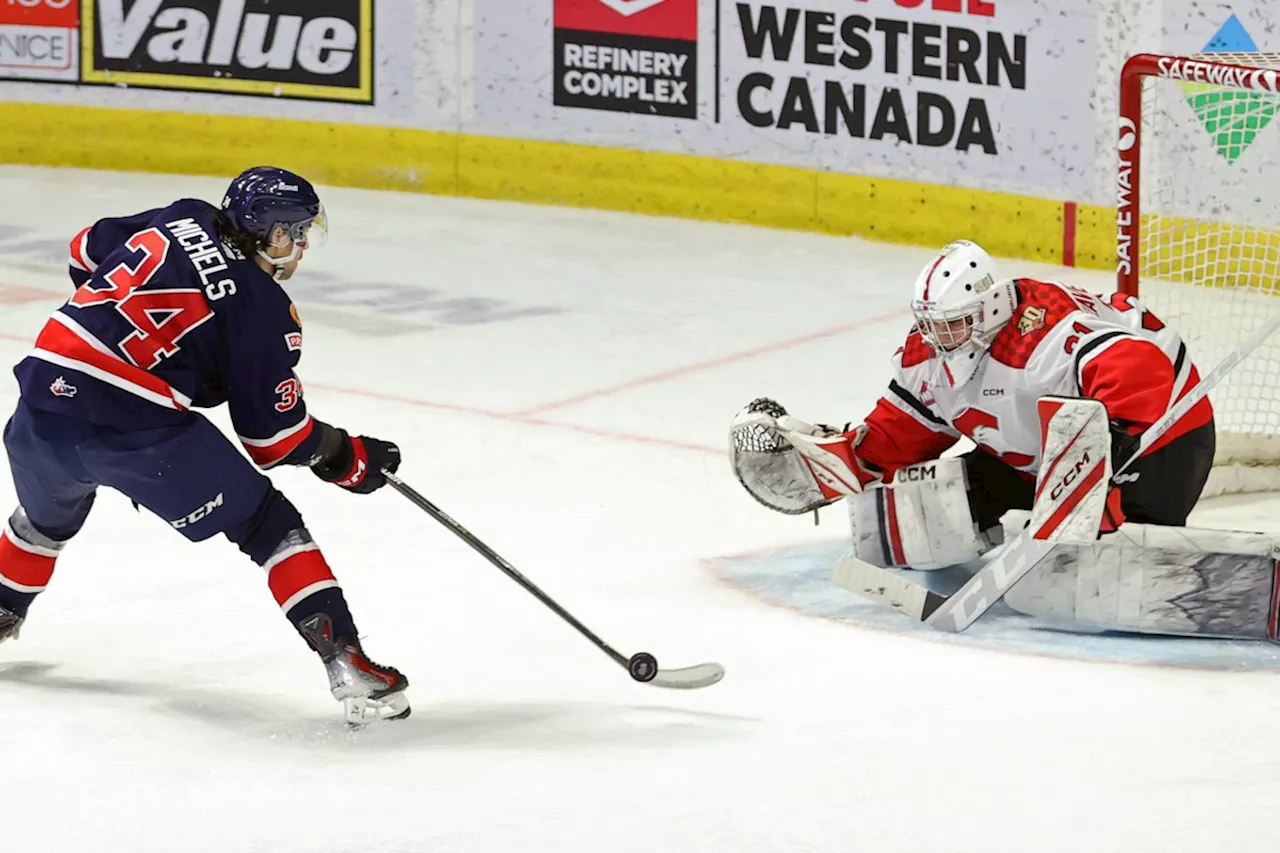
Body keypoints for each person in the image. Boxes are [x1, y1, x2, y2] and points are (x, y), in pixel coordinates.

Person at [0, 166, 409, 724]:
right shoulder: (263, 308)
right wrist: (346, 456)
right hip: (135, 429)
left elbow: (85, 250)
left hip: (41, 405)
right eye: (297, 231)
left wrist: (133, 336)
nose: (303, 244)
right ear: (274, 234)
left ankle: (2, 609)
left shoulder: (184, 215)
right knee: (269, 524)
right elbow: (275, 438)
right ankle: (346, 661)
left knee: (43, 521)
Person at [730, 239, 1216, 569]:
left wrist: (1106, 448)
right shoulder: (929, 356)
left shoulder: (1042, 337)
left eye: (953, 324)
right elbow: (902, 432)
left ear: (990, 309)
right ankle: (1058, 498)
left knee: (1110, 559)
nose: (940, 339)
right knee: (902, 522)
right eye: (932, 325)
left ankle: (1121, 526)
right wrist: (843, 463)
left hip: (1160, 442)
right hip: (1041, 462)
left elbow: (1142, 367)